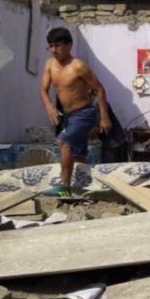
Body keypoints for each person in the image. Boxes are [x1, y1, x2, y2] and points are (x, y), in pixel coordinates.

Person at [40, 27, 111, 196]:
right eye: (51, 46)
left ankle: (64, 187)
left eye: (58, 45)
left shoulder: (78, 67)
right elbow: (43, 89)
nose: (54, 50)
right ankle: (86, 185)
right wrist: (50, 107)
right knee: (77, 155)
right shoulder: (50, 64)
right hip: (68, 116)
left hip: (85, 114)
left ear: (69, 45)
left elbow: (100, 89)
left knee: (64, 142)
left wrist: (104, 118)